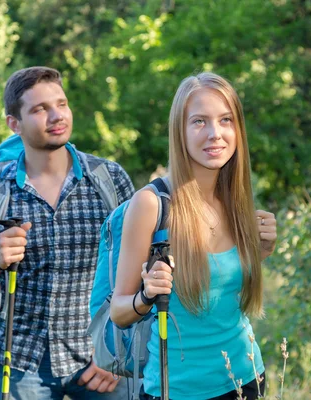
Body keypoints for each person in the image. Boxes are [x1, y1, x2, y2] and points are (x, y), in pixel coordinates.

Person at [0, 66, 134, 399]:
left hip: (101, 361)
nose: (56, 115)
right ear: (15, 124)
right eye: (40, 109)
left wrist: (118, 352)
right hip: (21, 363)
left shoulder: (110, 181)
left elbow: (140, 274)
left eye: (61, 104)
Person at [110, 72, 277, 400]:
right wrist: (147, 295)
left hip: (246, 379)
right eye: (199, 122)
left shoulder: (235, 197)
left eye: (225, 120)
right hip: (179, 390)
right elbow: (119, 310)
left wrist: (260, 251)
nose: (215, 134)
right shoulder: (151, 204)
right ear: (180, 132)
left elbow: (221, 287)